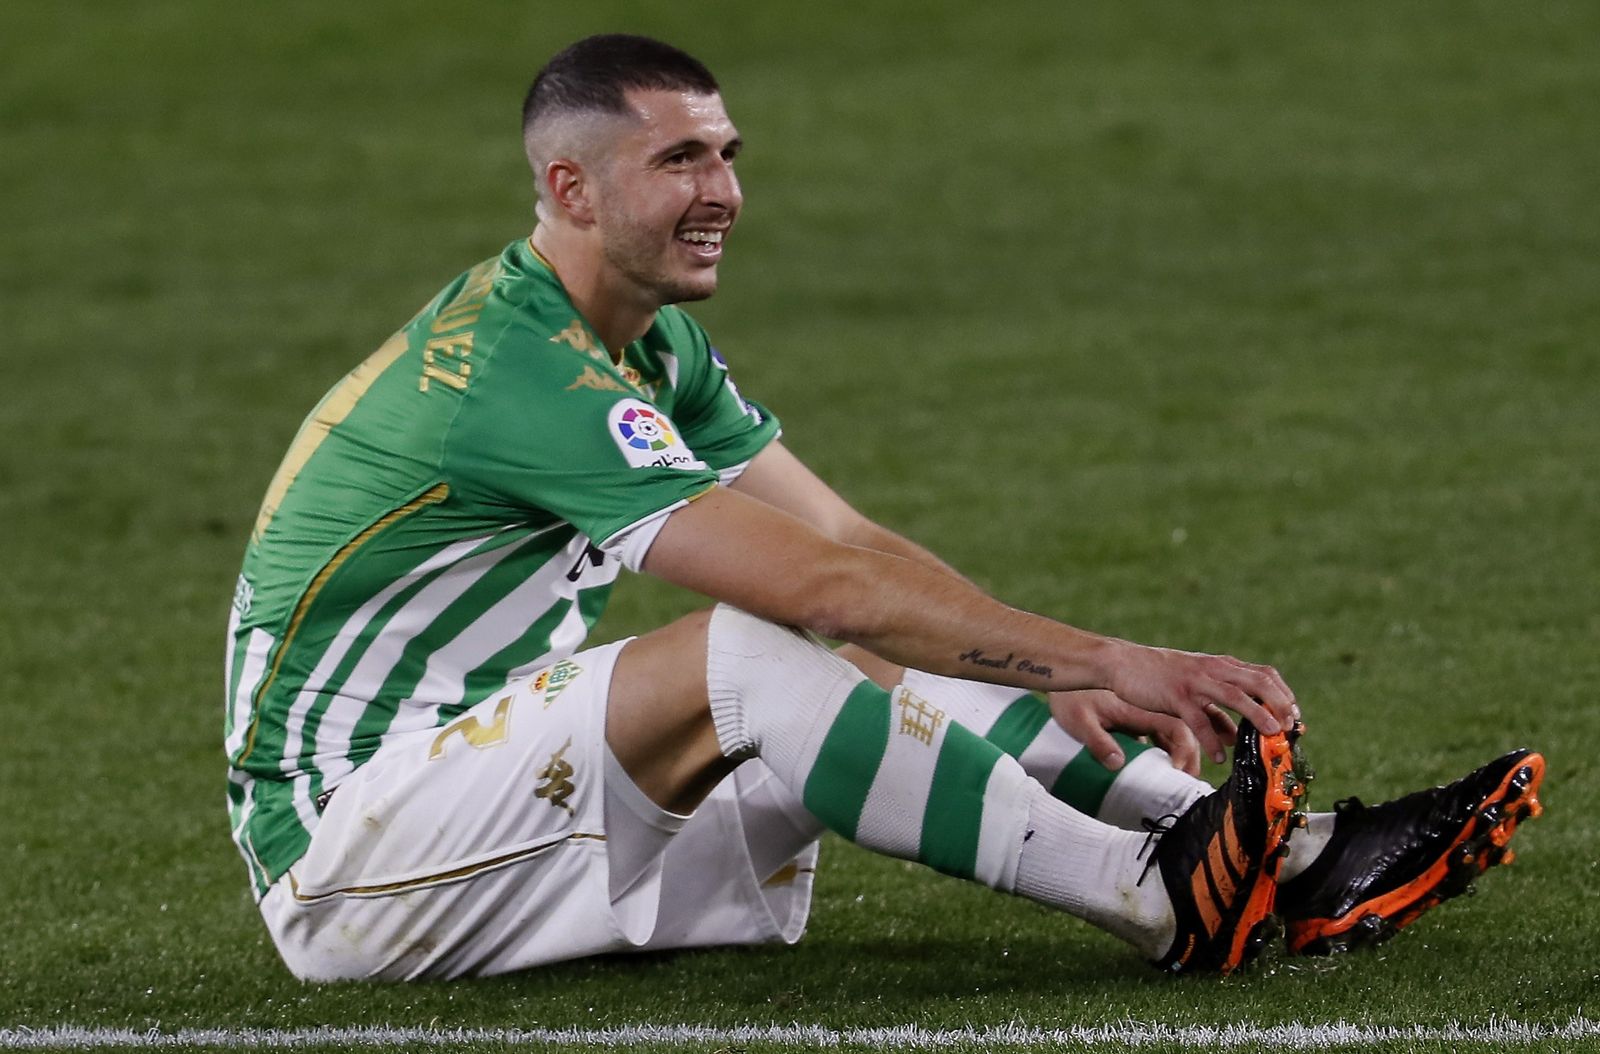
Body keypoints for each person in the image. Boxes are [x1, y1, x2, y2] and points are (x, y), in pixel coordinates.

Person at [225, 34, 1543, 982]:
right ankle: (1162, 902)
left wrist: (1042, 663)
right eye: (679, 158)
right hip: (349, 849)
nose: (724, 190)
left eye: (728, 153)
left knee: (861, 645)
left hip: (503, 806)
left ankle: (1278, 852)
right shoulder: (514, 372)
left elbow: (850, 542)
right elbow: (813, 588)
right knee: (752, 644)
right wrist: (1105, 655)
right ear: (570, 189)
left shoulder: (644, 343)